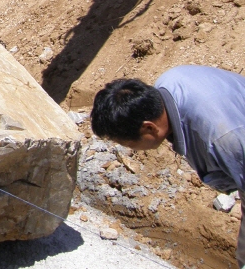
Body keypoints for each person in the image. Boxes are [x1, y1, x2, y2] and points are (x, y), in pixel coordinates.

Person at [91, 65, 245, 268]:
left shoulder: (221, 139)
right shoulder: (170, 82)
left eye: (130, 145)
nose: (134, 151)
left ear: (149, 127)